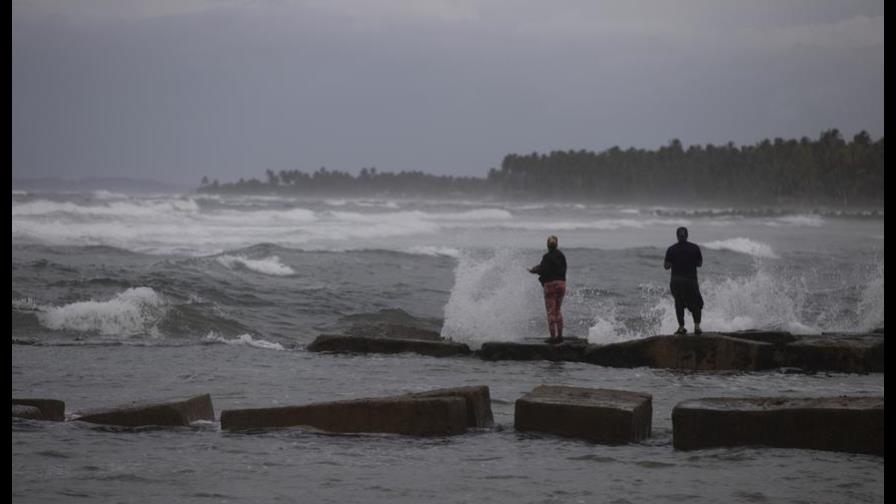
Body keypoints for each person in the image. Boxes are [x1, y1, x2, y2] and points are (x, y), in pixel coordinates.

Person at [664, 226, 704, 335]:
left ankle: (681, 328)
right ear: (687, 235)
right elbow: (699, 264)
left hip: (676, 282)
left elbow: (666, 266)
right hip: (690, 281)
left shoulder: (671, 249)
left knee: (679, 303)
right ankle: (697, 327)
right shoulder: (694, 248)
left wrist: (675, 262)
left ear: (677, 236)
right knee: (697, 303)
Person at [528, 235, 567, 343]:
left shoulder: (547, 257)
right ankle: (560, 336)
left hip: (550, 286)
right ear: (557, 244)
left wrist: (532, 270)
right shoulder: (561, 255)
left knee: (550, 312)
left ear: (547, 245)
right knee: (558, 310)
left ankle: (553, 337)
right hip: (561, 284)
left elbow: (542, 269)